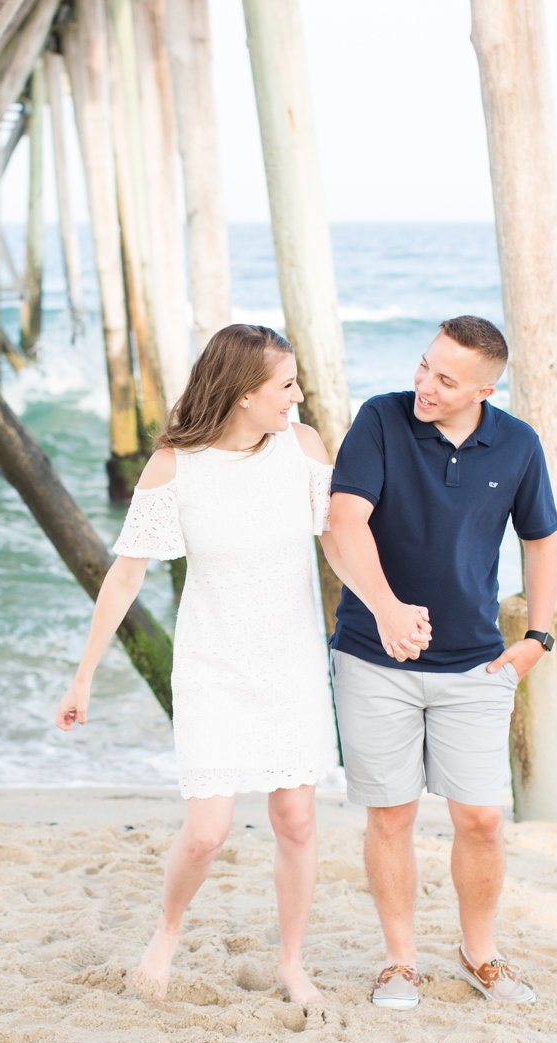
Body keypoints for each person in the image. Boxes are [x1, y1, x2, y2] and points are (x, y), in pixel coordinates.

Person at [55, 324, 337, 1006]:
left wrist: (392, 610)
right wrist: (84, 674)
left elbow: (342, 547)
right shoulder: (176, 466)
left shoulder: (303, 449)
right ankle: (168, 929)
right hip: (214, 665)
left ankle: (292, 961)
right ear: (243, 395)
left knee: (297, 821)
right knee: (207, 831)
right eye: (286, 386)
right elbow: (125, 578)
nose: (298, 397)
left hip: (291, 662)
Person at [322, 316, 557, 1008]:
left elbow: (542, 541)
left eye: (446, 378)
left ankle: (479, 951)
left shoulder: (516, 444)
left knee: (481, 819)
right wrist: (387, 608)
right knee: (391, 816)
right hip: (373, 657)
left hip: (477, 666)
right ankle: (400, 961)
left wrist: (537, 638)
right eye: (424, 366)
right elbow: (345, 521)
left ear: (486, 389)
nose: (424, 384)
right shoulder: (380, 420)